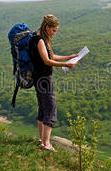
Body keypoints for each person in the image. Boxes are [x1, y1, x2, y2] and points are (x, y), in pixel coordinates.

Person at [29, 14, 78, 152]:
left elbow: (52, 56)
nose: (54, 33)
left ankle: (41, 140)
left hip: (37, 78)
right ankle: (47, 144)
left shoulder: (37, 37)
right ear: (47, 27)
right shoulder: (39, 40)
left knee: (43, 108)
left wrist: (69, 57)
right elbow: (47, 61)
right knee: (50, 109)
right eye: (53, 30)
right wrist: (66, 65)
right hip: (44, 78)